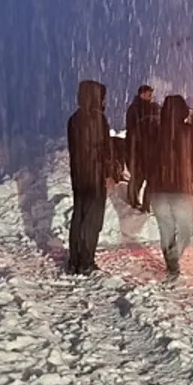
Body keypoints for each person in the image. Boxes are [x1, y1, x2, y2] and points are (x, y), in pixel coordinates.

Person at [66, 80, 115, 275]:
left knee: (78, 216)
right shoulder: (98, 119)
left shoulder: (74, 119)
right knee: (92, 220)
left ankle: (75, 260)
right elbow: (105, 149)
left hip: (79, 175)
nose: (104, 101)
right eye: (102, 97)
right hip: (95, 175)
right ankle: (86, 261)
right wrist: (109, 174)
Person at [148, 95, 193, 282]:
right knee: (186, 228)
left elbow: (149, 159)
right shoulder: (188, 132)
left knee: (166, 228)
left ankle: (171, 262)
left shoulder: (155, 132)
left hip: (159, 189)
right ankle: (175, 255)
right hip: (181, 188)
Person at [124, 84, 160, 211]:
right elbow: (132, 131)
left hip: (149, 149)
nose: (151, 96)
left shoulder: (152, 108)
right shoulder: (135, 109)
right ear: (142, 94)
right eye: (148, 93)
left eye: (151, 93)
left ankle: (145, 205)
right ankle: (133, 202)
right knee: (138, 176)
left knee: (149, 178)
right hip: (138, 149)